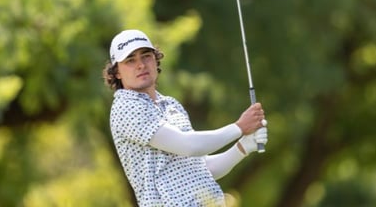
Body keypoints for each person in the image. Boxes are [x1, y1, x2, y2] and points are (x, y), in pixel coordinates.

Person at [105, 29, 267, 207]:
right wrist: (239, 127)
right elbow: (190, 146)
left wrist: (244, 146)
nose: (141, 65)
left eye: (146, 56)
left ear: (155, 60)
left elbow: (203, 169)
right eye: (130, 60)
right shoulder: (125, 106)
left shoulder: (171, 105)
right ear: (117, 72)